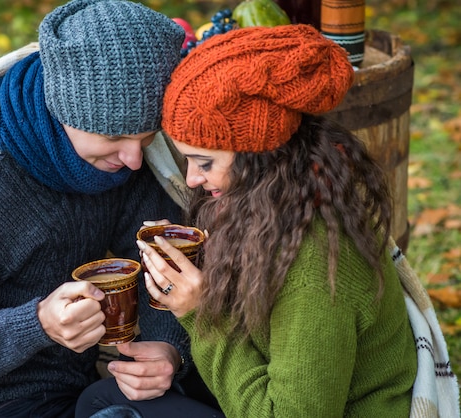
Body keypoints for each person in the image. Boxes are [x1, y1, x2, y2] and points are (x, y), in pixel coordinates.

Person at [0, 1, 219, 417]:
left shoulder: (121, 156)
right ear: (66, 110)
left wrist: (167, 350)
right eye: (114, 137)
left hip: (83, 384)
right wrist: (36, 323)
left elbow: (153, 265)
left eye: (147, 136)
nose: (133, 159)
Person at [131, 25, 419, 416]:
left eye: (205, 162)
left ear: (258, 159)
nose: (193, 179)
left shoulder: (313, 265)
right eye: (188, 161)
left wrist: (200, 316)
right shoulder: (281, 205)